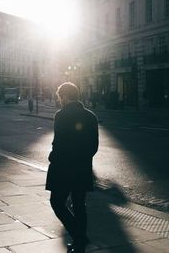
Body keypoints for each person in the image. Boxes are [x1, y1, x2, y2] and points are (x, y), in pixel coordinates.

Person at [46, 82, 99, 253]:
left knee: (57, 203)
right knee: (79, 205)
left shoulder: (61, 115)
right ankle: (80, 240)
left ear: (66, 96)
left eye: (60, 97)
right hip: (82, 168)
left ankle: (79, 236)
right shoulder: (91, 116)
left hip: (63, 169)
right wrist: (82, 159)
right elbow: (94, 146)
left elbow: (59, 143)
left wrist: (53, 157)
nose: (59, 100)